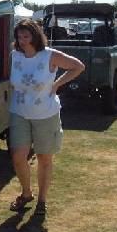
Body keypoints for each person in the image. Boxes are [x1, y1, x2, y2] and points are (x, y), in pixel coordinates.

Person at [9, 19, 84, 216]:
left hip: (45, 114)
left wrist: (57, 84)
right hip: (19, 112)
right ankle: (26, 193)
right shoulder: (15, 55)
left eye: (26, 36)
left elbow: (78, 66)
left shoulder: (49, 56)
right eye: (19, 36)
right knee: (18, 157)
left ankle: (42, 200)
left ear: (35, 36)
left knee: (44, 157)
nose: (22, 40)